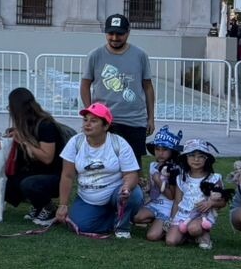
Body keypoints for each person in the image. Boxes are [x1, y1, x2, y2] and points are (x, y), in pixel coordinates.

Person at [55, 103, 144, 238]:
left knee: (134, 194)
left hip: (116, 192)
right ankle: (114, 217)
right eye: (85, 120)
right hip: (88, 197)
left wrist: (126, 187)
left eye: (94, 121)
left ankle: (123, 227)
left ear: (106, 126)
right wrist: (63, 205)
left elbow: (131, 174)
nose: (87, 124)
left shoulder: (118, 143)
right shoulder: (75, 142)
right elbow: (67, 176)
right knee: (80, 226)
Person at [79, 14, 155, 158]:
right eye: (110, 33)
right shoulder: (95, 55)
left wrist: (151, 118)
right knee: (103, 162)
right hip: (105, 122)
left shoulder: (140, 55)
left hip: (134, 120)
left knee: (133, 165)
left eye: (119, 34)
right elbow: (85, 85)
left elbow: (148, 87)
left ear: (128, 32)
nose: (114, 38)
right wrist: (91, 113)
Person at [3, 87, 67, 225]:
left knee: (29, 184)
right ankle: (38, 204)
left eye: (10, 108)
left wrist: (25, 142)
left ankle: (48, 207)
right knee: (0, 182)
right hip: (33, 172)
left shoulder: (45, 125)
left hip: (54, 176)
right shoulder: (24, 125)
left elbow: (47, 158)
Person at [165, 139, 225, 249]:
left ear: (206, 159)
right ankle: (188, 236)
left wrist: (210, 203)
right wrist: (172, 220)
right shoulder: (181, 178)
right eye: (192, 155)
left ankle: (203, 233)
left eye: (201, 156)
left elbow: (223, 202)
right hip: (183, 215)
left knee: (194, 229)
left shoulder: (214, 178)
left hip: (203, 215)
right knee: (171, 241)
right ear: (185, 158)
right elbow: (178, 201)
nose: (196, 159)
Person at [137, 126, 183, 241]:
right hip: (154, 203)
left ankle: (165, 226)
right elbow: (153, 188)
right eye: (157, 149)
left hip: (166, 208)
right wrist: (147, 186)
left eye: (164, 150)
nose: (160, 153)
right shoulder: (153, 165)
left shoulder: (174, 170)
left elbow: (171, 196)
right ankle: (155, 222)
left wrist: (158, 180)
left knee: (152, 236)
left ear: (172, 151)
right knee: (136, 216)